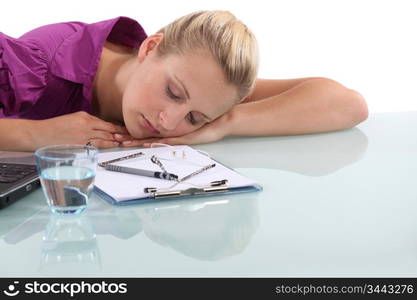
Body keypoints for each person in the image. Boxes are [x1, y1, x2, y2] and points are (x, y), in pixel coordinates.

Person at [0, 10, 368, 151]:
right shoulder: (40, 65)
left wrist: (223, 124)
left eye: (193, 118)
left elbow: (348, 104)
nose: (169, 123)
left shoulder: (205, 88)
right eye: (173, 93)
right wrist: (34, 135)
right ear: (150, 47)